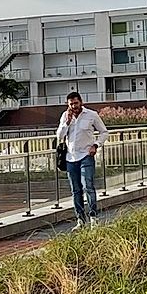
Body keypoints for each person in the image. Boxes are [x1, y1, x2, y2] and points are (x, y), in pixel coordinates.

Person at [54, 91, 107, 229]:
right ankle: (80, 220)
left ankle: (94, 217)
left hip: (86, 156)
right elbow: (59, 135)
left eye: (76, 103)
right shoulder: (65, 116)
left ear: (81, 102)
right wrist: (67, 123)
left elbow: (104, 132)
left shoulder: (91, 115)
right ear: (68, 105)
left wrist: (96, 145)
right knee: (75, 190)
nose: (74, 106)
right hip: (70, 157)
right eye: (71, 104)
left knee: (88, 186)